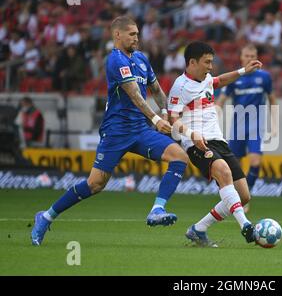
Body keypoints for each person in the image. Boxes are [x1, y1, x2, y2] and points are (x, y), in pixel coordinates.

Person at [30, 16, 207, 246]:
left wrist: (168, 112)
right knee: (95, 184)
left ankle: (157, 210)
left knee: (179, 157)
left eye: (137, 33)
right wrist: (155, 117)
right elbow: (134, 94)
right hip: (116, 132)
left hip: (140, 130)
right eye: (132, 34)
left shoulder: (141, 59)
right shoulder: (115, 60)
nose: (136, 37)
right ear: (118, 35)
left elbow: (155, 89)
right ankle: (45, 216)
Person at [168, 41, 262, 247]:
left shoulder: (207, 79)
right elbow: (172, 119)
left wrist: (242, 71)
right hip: (197, 144)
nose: (211, 66)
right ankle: (245, 225)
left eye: (211, 62)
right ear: (192, 62)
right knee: (224, 172)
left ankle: (198, 229)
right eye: (207, 62)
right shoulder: (180, 85)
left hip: (218, 141)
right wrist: (192, 135)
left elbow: (218, 81)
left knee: (243, 196)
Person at [216, 44, 277, 213]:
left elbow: (272, 99)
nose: (250, 58)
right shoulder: (236, 77)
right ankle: (236, 196)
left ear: (257, 58)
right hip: (237, 128)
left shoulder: (265, 77)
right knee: (233, 165)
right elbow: (222, 99)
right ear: (241, 58)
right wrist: (215, 113)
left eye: (253, 56)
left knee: (256, 161)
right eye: (247, 55)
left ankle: (245, 197)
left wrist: (274, 124)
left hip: (256, 127)